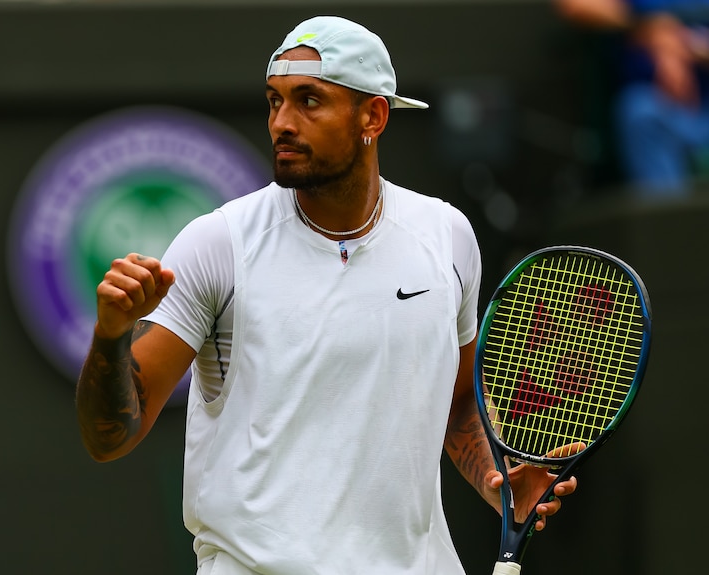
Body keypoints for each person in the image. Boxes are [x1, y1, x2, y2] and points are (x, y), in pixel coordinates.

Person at [76, 15, 578, 575]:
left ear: (373, 115)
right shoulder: (219, 243)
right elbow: (111, 436)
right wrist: (112, 334)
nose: (281, 123)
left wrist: (497, 480)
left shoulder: (449, 236)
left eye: (308, 101)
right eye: (274, 101)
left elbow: (456, 401)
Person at [554, 0, 709, 196]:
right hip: (655, 106)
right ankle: (670, 222)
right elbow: (576, 6)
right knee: (639, 111)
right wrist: (650, 28)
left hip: (703, 105)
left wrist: (685, 45)